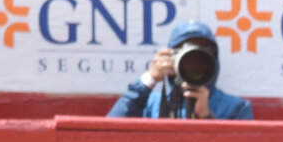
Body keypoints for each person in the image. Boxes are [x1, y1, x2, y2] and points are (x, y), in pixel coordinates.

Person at [107, 21, 253, 120]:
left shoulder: (237, 108)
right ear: (172, 57)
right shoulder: (150, 103)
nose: (194, 64)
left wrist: (206, 117)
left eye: (201, 57)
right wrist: (149, 79)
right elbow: (108, 132)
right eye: (187, 56)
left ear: (213, 60)